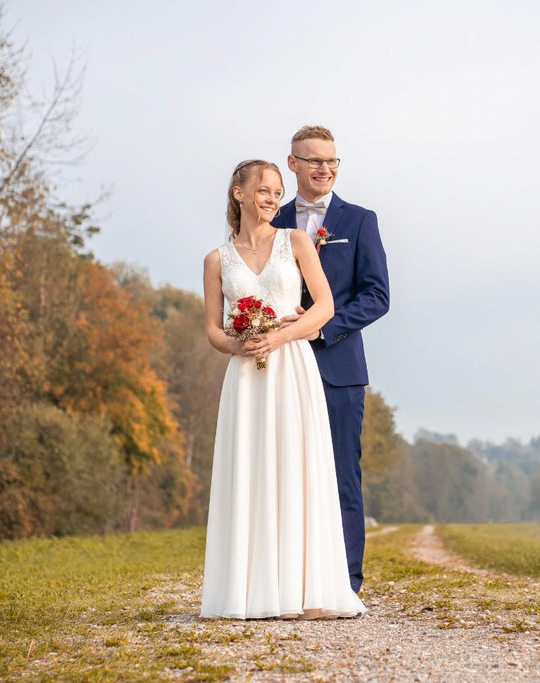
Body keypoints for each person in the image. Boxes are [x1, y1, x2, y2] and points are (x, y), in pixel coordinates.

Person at [199, 159, 365, 619]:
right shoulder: (217, 259)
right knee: (250, 470)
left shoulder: (295, 242)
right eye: (264, 191)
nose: (274, 199)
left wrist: (280, 335)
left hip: (291, 367)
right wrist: (240, 342)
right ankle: (253, 592)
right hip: (245, 376)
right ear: (239, 194)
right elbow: (213, 330)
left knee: (294, 468)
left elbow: (325, 306)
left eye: (276, 192)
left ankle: (300, 590)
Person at [272, 126, 390, 594]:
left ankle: (345, 583)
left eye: (332, 162)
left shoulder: (360, 220)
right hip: (278, 368)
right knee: (284, 472)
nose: (325, 169)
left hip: (338, 368)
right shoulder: (271, 221)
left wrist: (323, 325)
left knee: (342, 475)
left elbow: (377, 296)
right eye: (315, 161)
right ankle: (289, 580)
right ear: (293, 163)